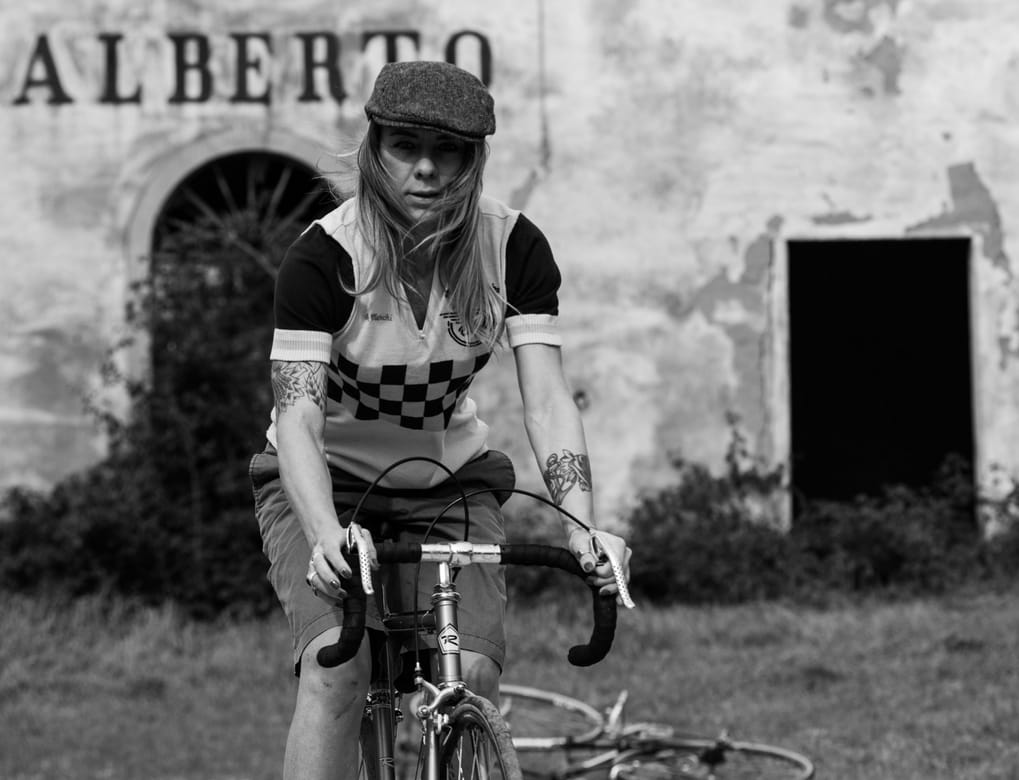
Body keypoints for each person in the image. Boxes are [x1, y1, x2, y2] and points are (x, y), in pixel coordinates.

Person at [249, 60, 632, 780]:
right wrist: (326, 533)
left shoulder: (513, 247)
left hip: (449, 481)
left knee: (474, 673)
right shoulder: (325, 257)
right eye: (405, 146)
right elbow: (297, 415)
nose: (425, 168)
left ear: (473, 158)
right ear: (375, 149)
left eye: (448, 150)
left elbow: (547, 399)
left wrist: (581, 527)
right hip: (327, 481)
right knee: (337, 670)